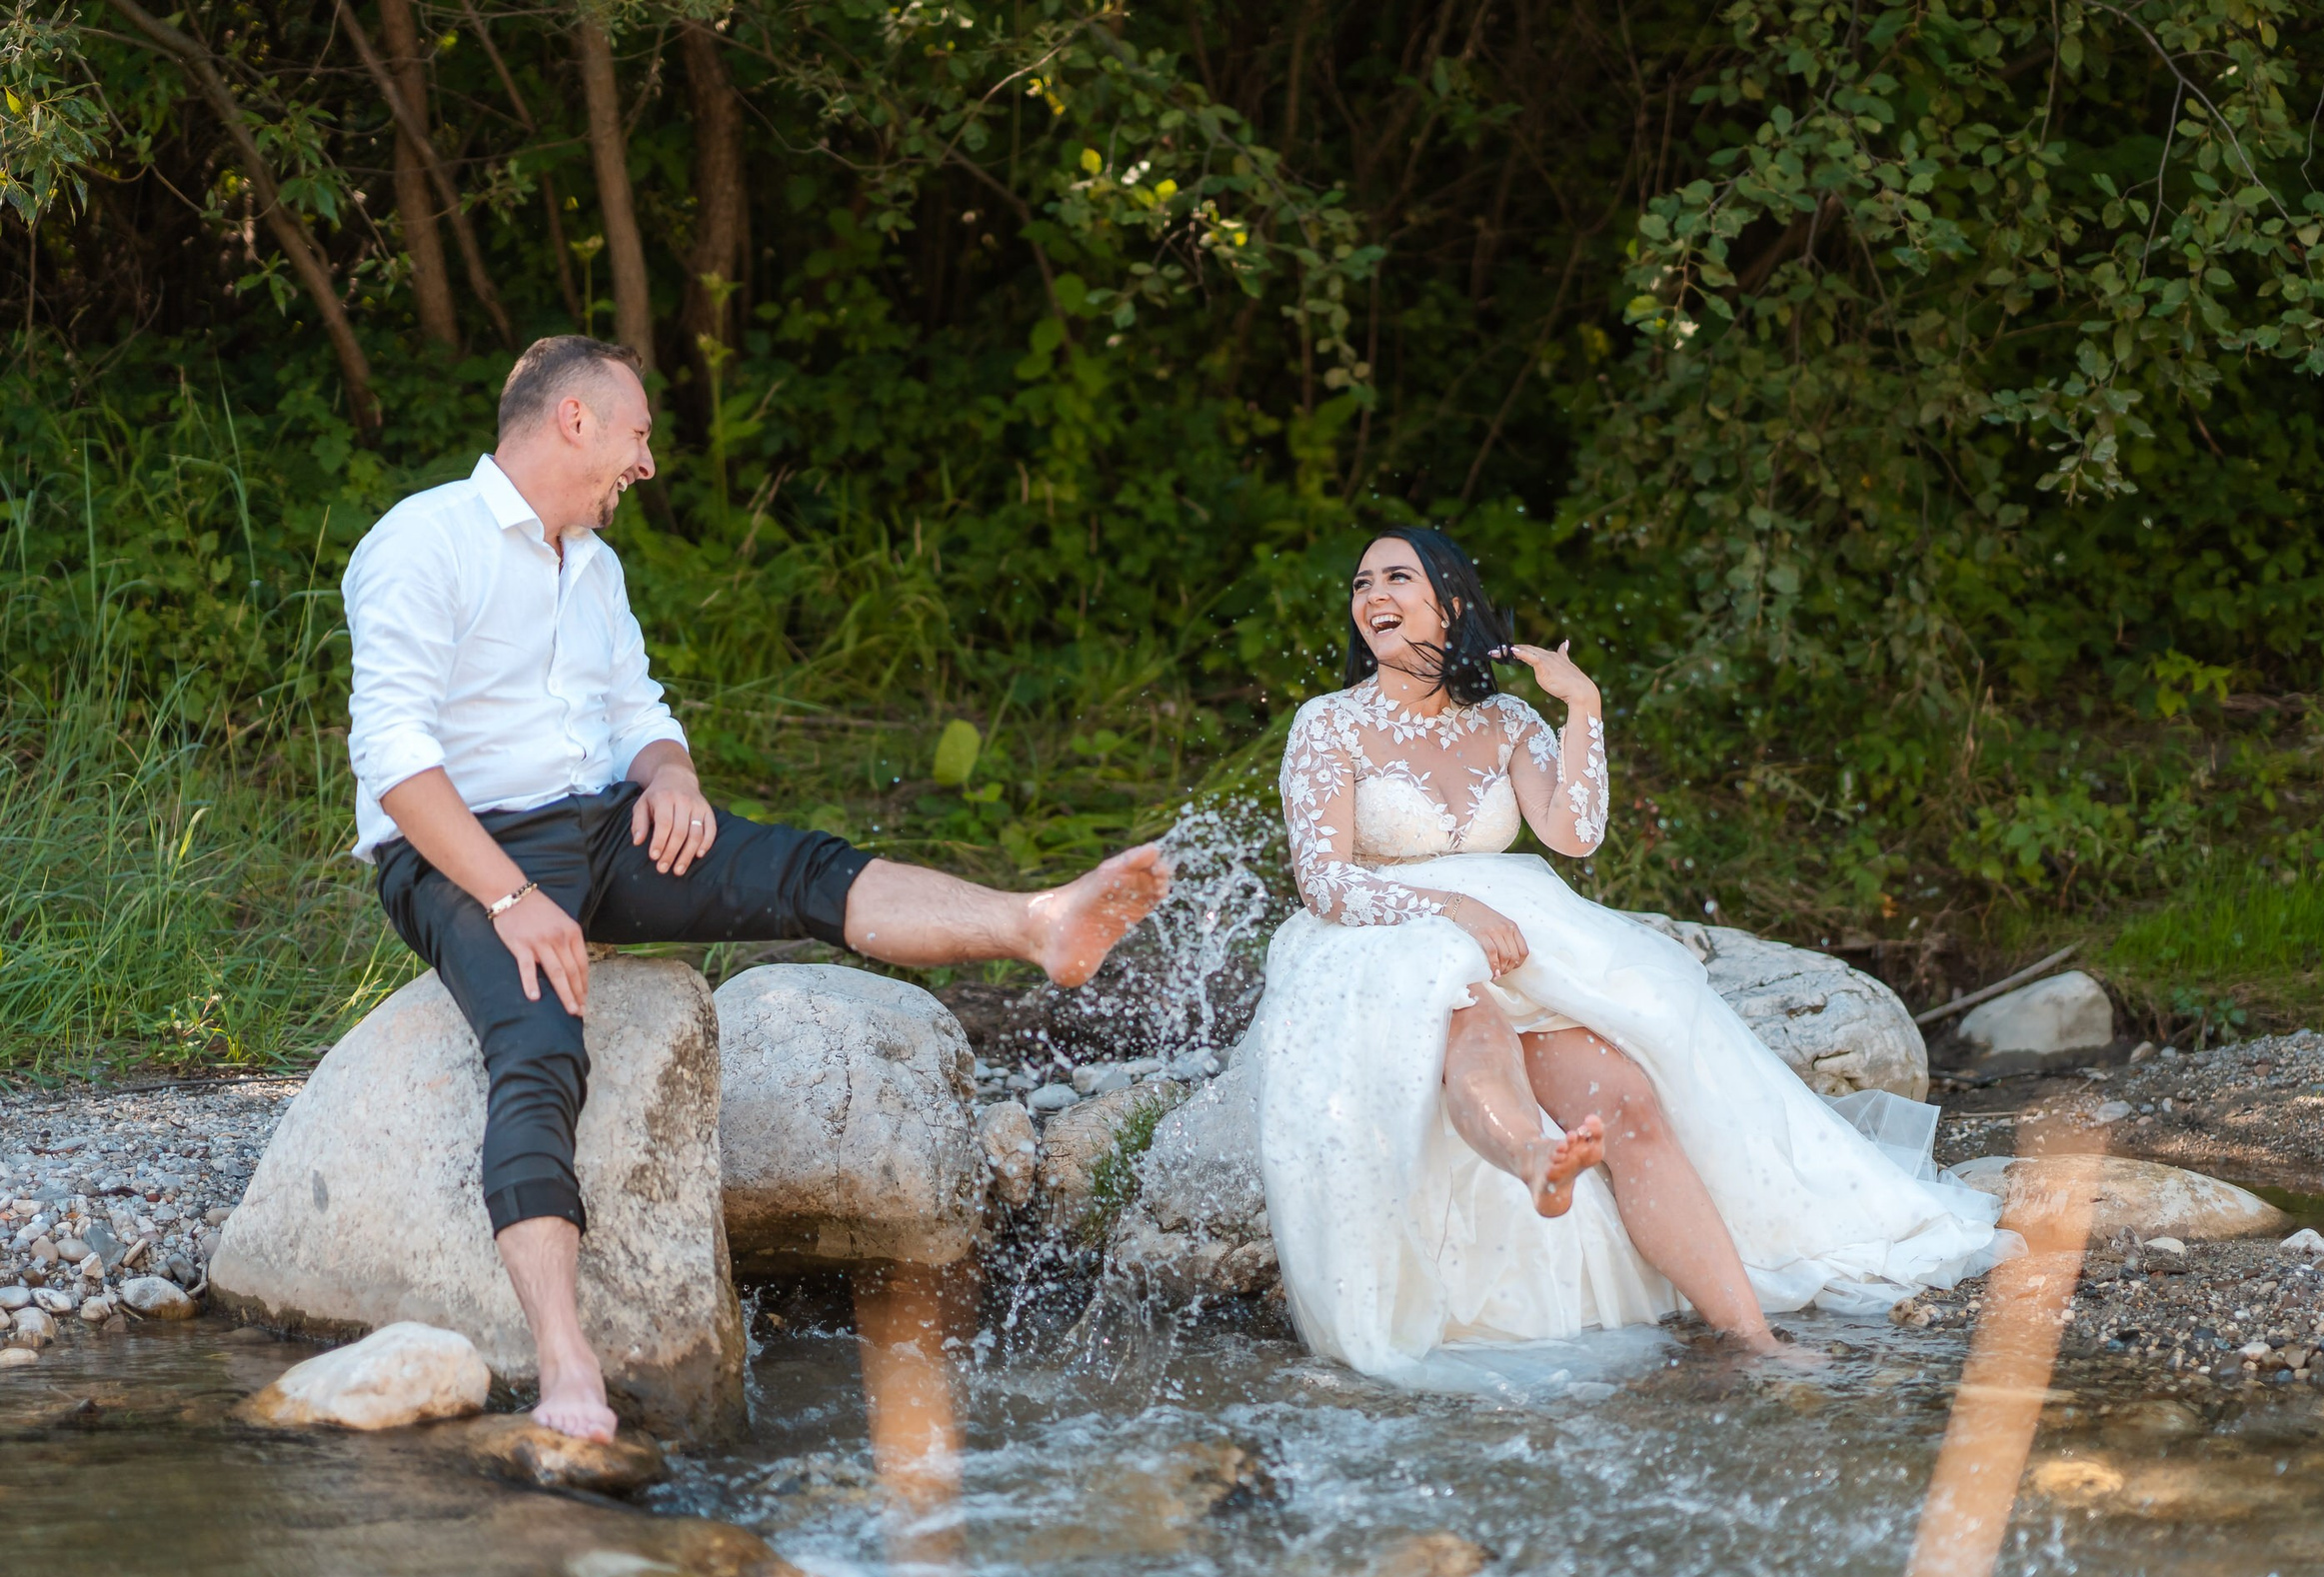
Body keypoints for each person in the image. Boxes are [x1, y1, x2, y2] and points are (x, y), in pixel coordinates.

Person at [344, 335, 1171, 1440]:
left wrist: (672, 775)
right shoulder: (422, 540)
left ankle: (1036, 923)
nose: (647, 464)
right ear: (575, 420)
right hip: (466, 848)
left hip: (603, 826)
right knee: (541, 1050)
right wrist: (508, 898)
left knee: (799, 869)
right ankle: (566, 1366)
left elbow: (637, 710)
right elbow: (396, 764)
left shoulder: (593, 564)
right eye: (638, 435)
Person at [1249, 526, 2017, 1391]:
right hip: (1383, 946)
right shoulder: (1330, 725)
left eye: (1398, 576)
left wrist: (1583, 708)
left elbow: (1575, 834)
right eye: (1362, 583)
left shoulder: (1506, 720)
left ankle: (1752, 1337)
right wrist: (1454, 907)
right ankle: (1532, 1158)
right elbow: (1324, 881)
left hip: (1516, 944)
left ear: (1451, 601)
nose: (1373, 595)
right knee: (1472, 1033)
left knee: (1630, 1099)